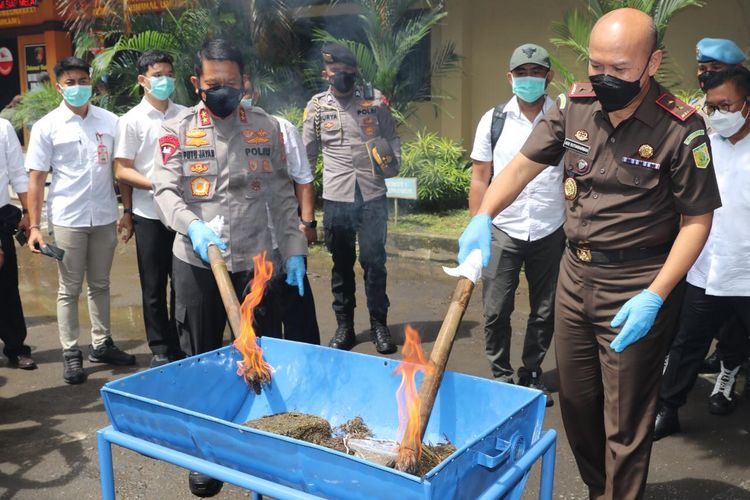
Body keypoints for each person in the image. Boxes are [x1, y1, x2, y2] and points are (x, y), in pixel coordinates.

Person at [458, 9, 720, 499]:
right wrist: (483, 215)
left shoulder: (680, 128)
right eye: (597, 66)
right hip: (574, 276)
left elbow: (697, 221)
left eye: (619, 69)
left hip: (638, 282)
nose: (604, 78)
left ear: (652, 62)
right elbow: (520, 166)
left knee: (625, 419)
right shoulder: (575, 104)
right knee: (577, 404)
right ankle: (602, 490)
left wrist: (657, 296)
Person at [151, 38, 307, 497]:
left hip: (256, 262)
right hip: (199, 263)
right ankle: (203, 452)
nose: (221, 90)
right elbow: (164, 192)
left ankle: (262, 448)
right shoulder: (176, 130)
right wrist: (192, 228)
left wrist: (294, 247)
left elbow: (281, 196)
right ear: (197, 83)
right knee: (201, 358)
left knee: (259, 355)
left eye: (231, 83)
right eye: (212, 83)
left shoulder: (266, 127)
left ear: (245, 84)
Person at [26, 56, 135, 386]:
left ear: (92, 84)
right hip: (67, 218)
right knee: (68, 289)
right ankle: (71, 351)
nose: (77, 87)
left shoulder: (111, 122)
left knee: (100, 284)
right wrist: (33, 226)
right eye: (70, 82)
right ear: (59, 87)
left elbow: (122, 170)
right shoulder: (47, 127)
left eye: (82, 81)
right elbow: (35, 179)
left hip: (104, 215)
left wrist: (127, 212)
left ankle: (101, 344)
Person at [654, 67, 750, 439]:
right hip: (705, 267)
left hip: (746, 271)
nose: (717, 114)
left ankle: (727, 379)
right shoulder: (702, 143)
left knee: (736, 338)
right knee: (687, 343)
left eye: (726, 105)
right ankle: (668, 408)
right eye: (711, 107)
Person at [468, 43, 564, 405]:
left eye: (536, 72)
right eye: (521, 73)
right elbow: (481, 177)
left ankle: (531, 372)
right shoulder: (493, 120)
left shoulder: (564, 119)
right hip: (503, 229)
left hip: (549, 229)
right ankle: (501, 375)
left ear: (548, 76)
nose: (528, 79)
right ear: (509, 78)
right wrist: (476, 225)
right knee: (495, 310)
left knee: (545, 309)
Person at [303, 43, 400, 354]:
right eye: (335, 71)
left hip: (372, 194)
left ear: (355, 72)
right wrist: (304, 203)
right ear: (326, 73)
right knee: (341, 265)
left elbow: (392, 136)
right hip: (337, 197)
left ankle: (379, 326)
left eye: (346, 70)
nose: (340, 75)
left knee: (375, 263)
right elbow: (306, 156)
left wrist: (393, 161)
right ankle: (345, 326)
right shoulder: (317, 107)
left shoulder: (375, 101)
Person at [113, 50, 186, 367]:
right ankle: (160, 346)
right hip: (149, 215)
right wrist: (152, 189)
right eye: (158, 75)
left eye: (169, 74)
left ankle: (182, 342)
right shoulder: (131, 121)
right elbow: (122, 170)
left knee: (183, 283)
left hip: (184, 214)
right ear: (142, 80)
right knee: (154, 285)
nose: (165, 80)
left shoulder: (186, 114)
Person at [689, 38, 747, 371]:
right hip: (706, 238)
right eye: (703, 69)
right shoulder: (698, 111)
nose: (706, 75)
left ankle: (731, 363)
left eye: (716, 69)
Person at [0, 116, 35, 370]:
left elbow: (17, 173)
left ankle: (15, 347)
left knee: (6, 287)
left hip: (1, 215)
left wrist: (27, 212)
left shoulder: (2, 127)